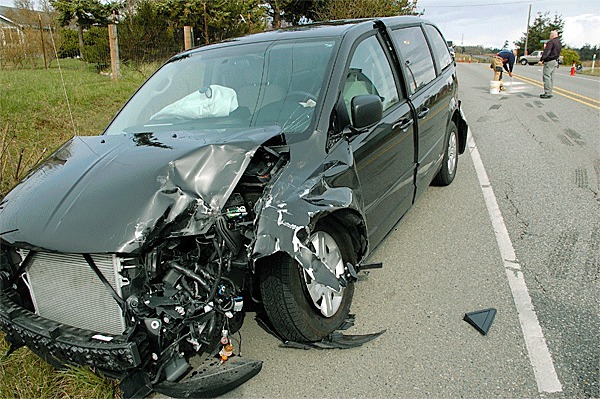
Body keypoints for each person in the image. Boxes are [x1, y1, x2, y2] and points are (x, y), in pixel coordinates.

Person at [540, 30, 562, 99]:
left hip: (549, 61)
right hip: (555, 61)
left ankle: (547, 92)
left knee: (546, 76)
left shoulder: (551, 42)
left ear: (552, 36)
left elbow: (547, 51)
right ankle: (550, 92)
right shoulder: (559, 42)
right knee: (551, 77)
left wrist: (542, 59)